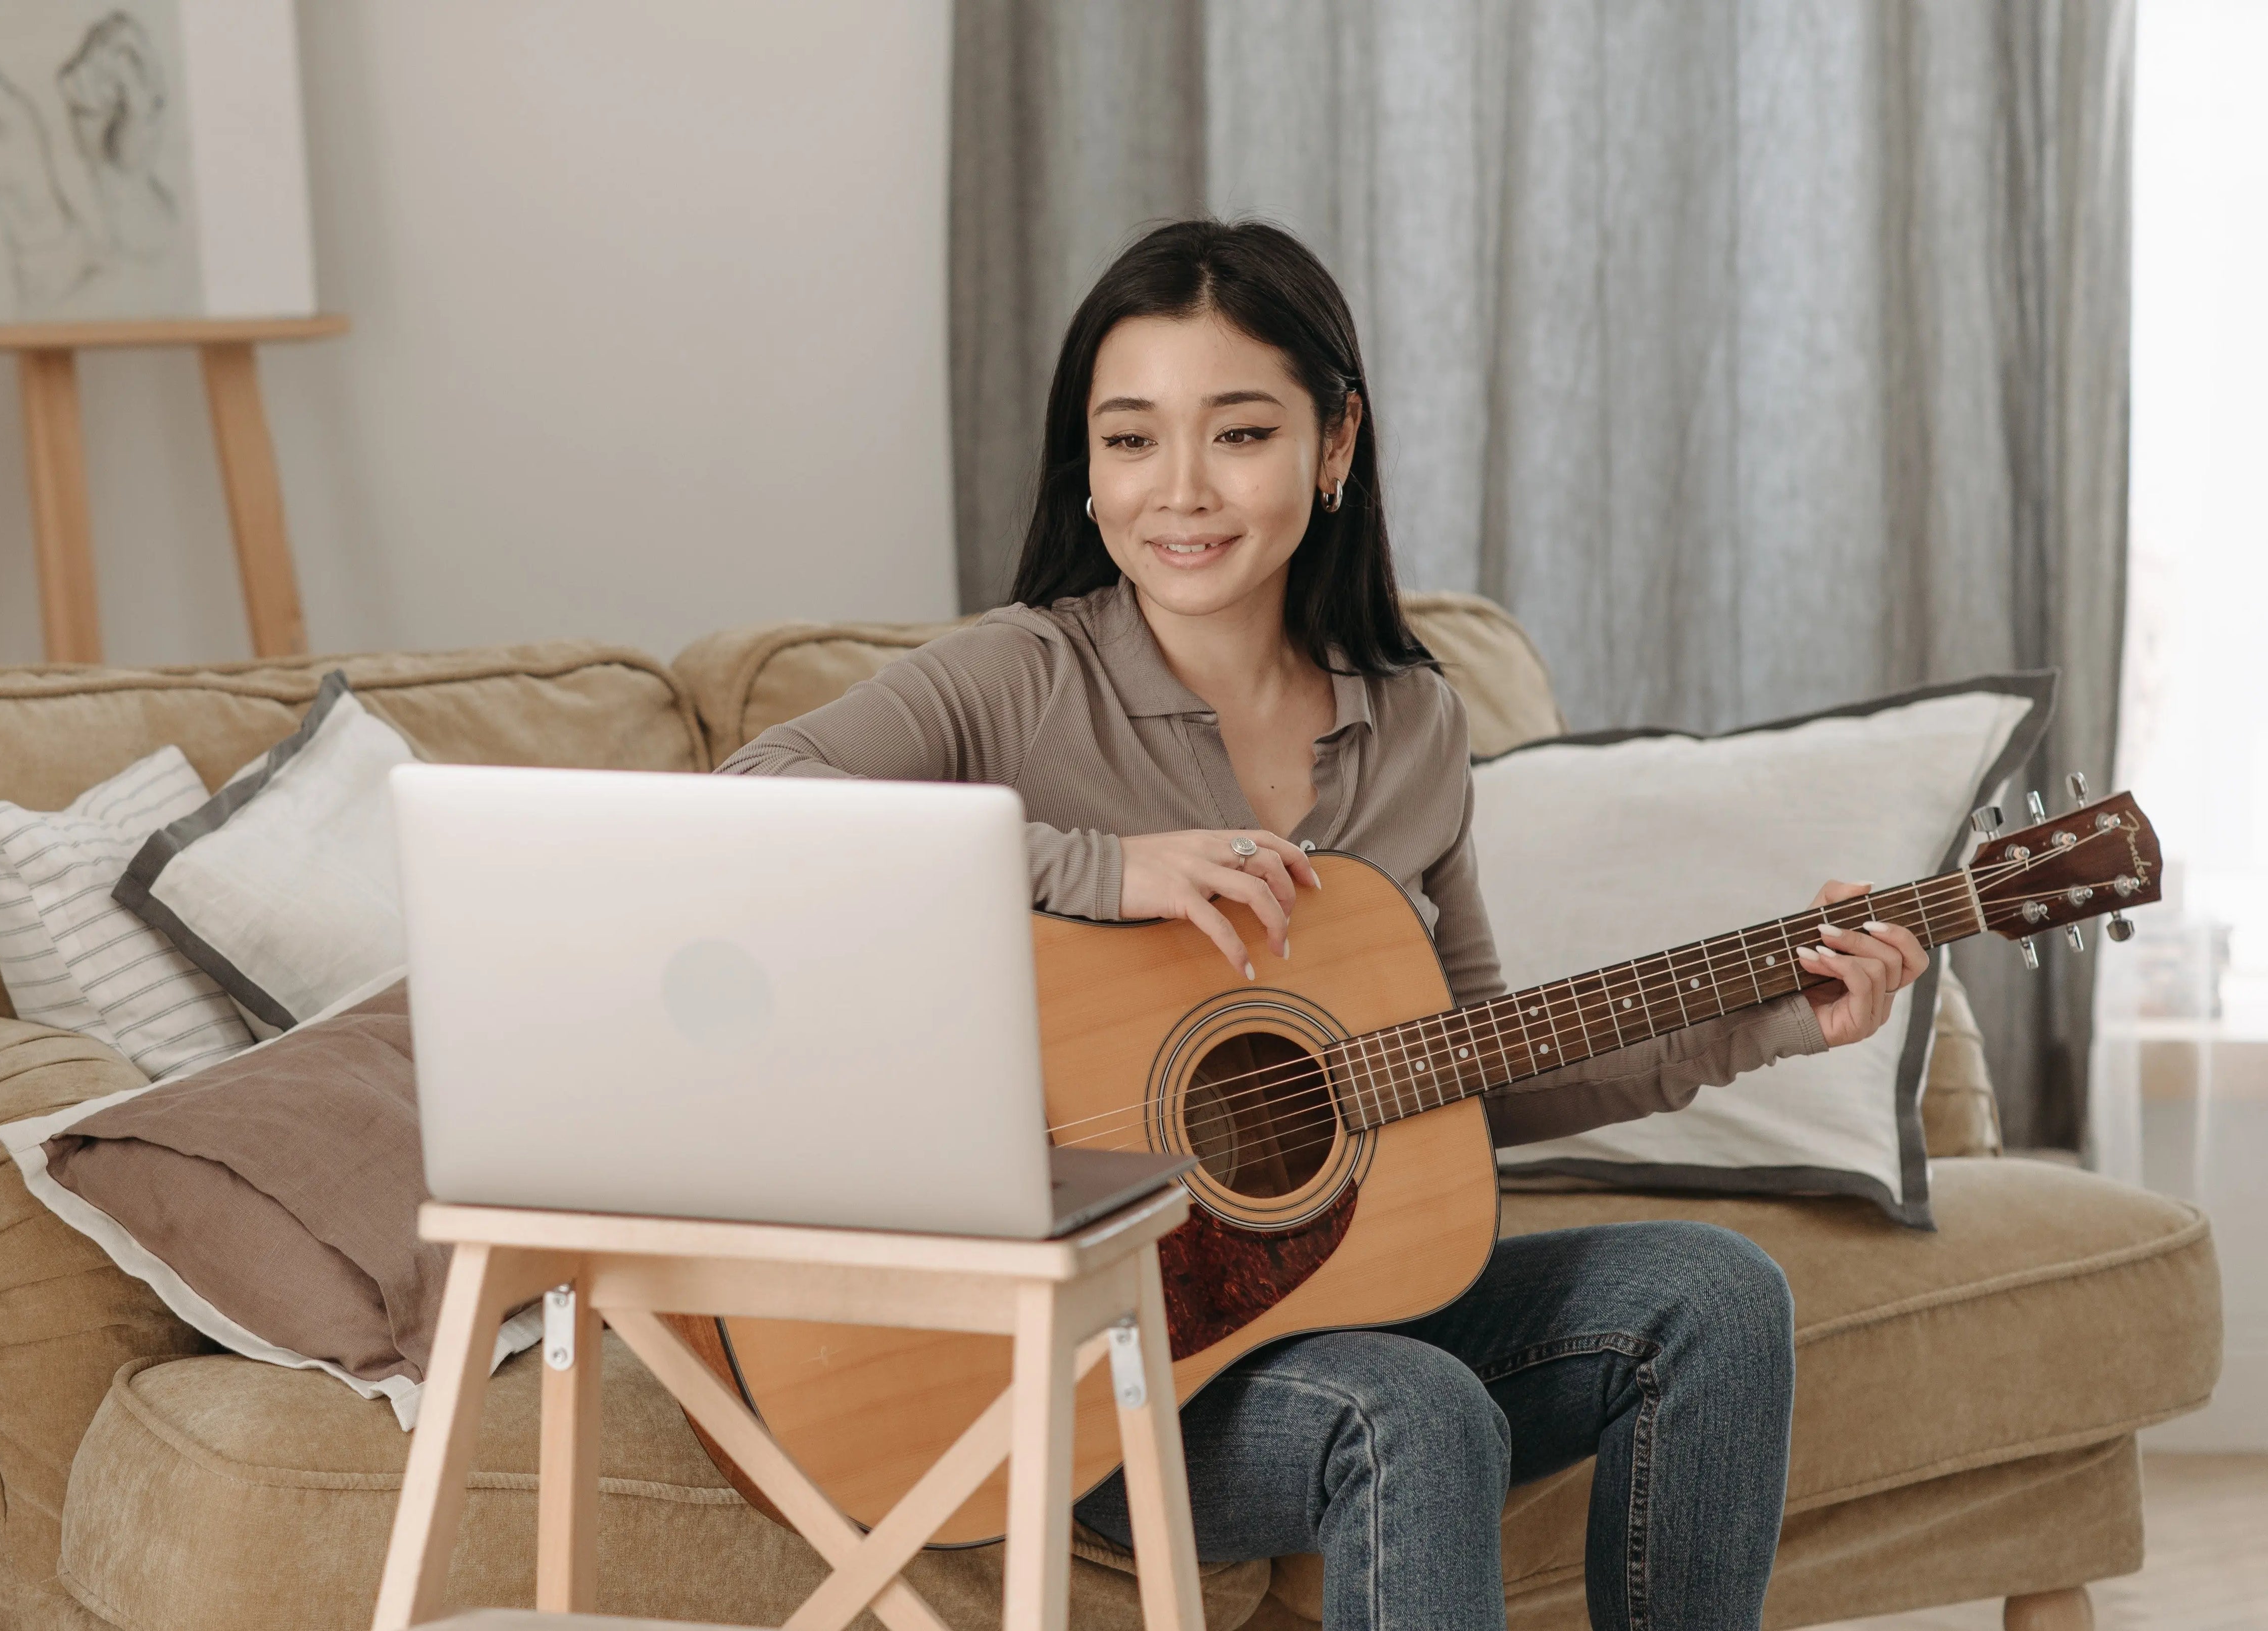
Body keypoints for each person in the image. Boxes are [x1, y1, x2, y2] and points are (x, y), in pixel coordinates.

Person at [718, 219, 1929, 1630]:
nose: (1179, 489)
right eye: (1131, 439)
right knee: (1413, 1408)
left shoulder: (1414, 725)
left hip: (1337, 1307)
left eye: (1238, 434)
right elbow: (755, 807)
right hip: (1087, 1358)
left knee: (1718, 1293)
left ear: (1334, 443)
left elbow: (1468, 1070)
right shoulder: (1019, 678)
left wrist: (1776, 1010)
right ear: (1087, 466)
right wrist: (1094, 870)